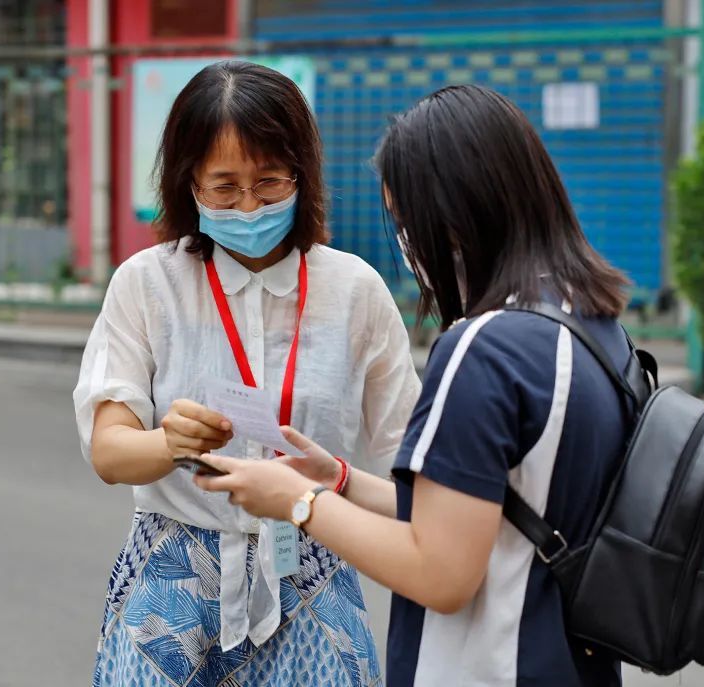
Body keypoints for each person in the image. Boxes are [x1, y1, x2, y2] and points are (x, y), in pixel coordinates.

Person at [193, 84, 635, 687]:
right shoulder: (591, 327)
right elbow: (491, 514)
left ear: (458, 215)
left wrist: (298, 503)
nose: (407, 245)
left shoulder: (484, 351)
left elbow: (441, 573)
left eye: (407, 223)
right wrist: (340, 480)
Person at [73, 60, 420, 686]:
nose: (250, 206)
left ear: (303, 177)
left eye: (269, 184)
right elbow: (109, 451)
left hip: (312, 566)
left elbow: (414, 473)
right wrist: (167, 444)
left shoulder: (355, 291)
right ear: (188, 185)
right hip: (171, 582)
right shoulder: (147, 285)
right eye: (224, 189)